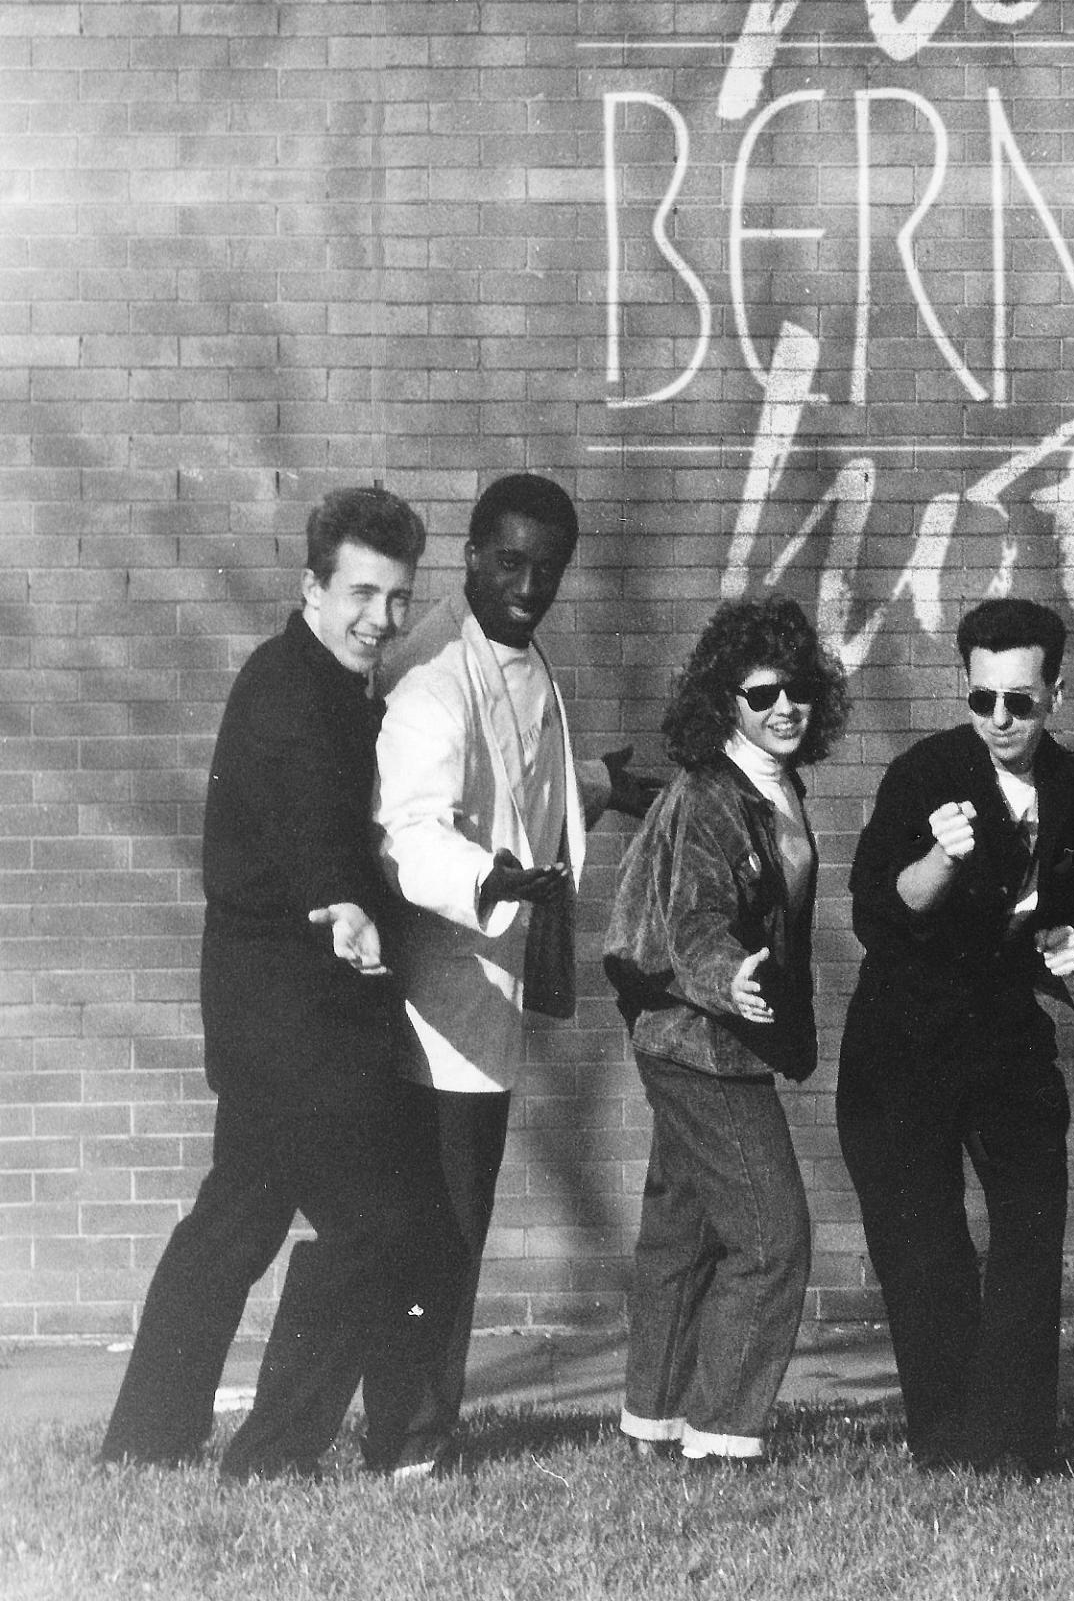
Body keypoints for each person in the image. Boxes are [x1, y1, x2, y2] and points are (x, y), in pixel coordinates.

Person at [98, 486, 446, 1481]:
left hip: (273, 1016)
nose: (379, 619)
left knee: (237, 1217)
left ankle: (146, 1437)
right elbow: (306, 822)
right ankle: (271, 1454)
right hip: (295, 1023)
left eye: (397, 598)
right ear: (311, 587)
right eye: (361, 594)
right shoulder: (290, 693)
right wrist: (342, 902)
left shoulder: (324, 681)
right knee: (373, 1224)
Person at [366, 473, 657, 1474]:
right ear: (472, 557)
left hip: (480, 999)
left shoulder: (522, 660)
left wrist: (603, 788)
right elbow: (410, 829)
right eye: (511, 563)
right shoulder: (432, 672)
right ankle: (409, 1442)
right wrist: (494, 880)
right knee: (434, 1234)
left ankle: (411, 1429)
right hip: (431, 1006)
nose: (530, 585)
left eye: (549, 568)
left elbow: (514, 777)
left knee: (452, 1224)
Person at [837, 597, 1074, 1477]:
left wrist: (1070, 939)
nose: (999, 721)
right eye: (982, 699)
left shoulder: (1068, 778)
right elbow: (876, 907)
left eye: (1019, 701)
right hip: (906, 1039)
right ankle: (948, 1443)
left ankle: (1017, 1439)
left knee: (1032, 1223)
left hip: (1006, 1035)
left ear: (1054, 693)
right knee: (927, 1245)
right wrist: (940, 859)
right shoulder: (924, 772)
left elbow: (1064, 896)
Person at [602, 596, 849, 1467]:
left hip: (705, 1037)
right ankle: (723, 1436)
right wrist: (729, 979)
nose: (784, 708)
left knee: (686, 1231)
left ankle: (656, 1426)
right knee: (773, 1239)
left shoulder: (774, 784)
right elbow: (693, 920)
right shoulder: (714, 794)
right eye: (761, 694)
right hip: (700, 1042)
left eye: (799, 692)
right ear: (726, 705)